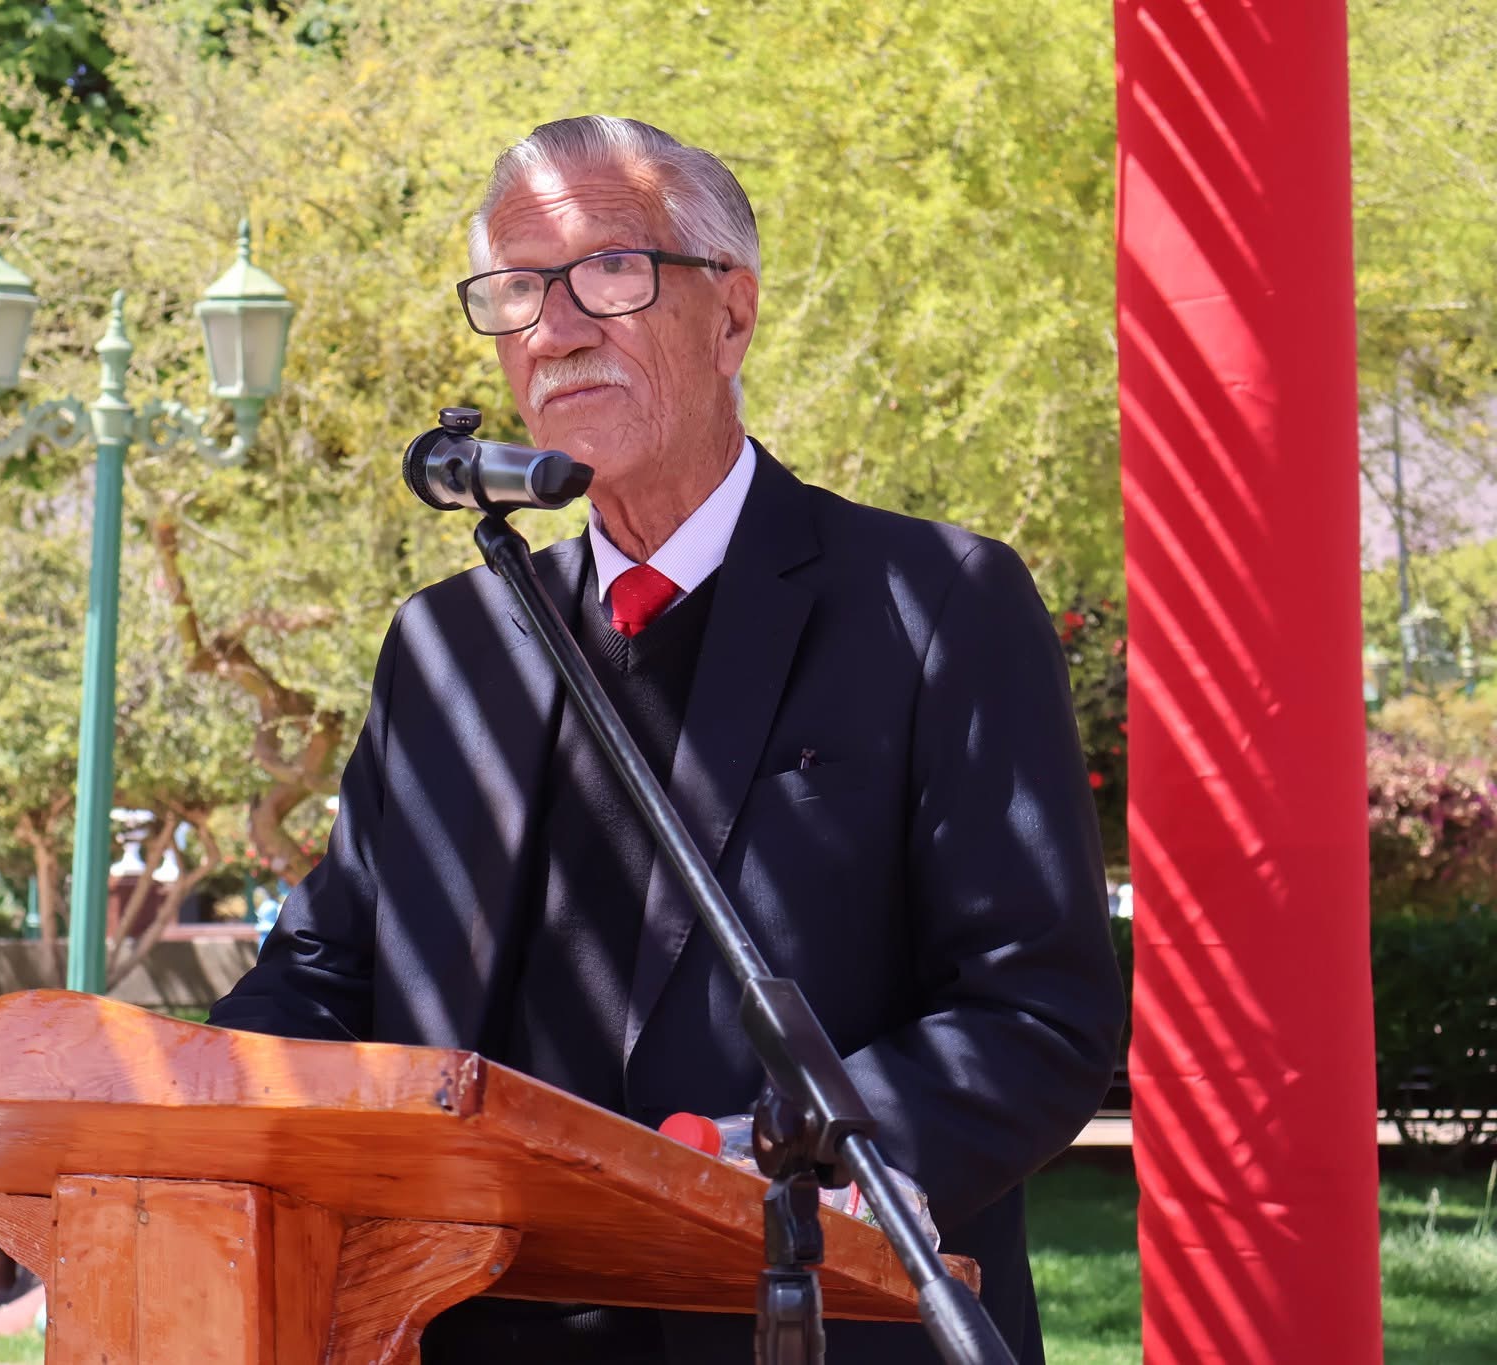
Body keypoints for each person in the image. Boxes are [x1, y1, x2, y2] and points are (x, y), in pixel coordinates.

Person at [209, 115, 1124, 1365]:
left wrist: (785, 1173)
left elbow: (1033, 1009)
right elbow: (326, 976)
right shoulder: (447, 644)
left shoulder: (930, 603)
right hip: (458, 1326)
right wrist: (141, 1109)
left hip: (793, 1317)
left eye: (609, 274)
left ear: (732, 316)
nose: (555, 327)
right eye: (516, 291)